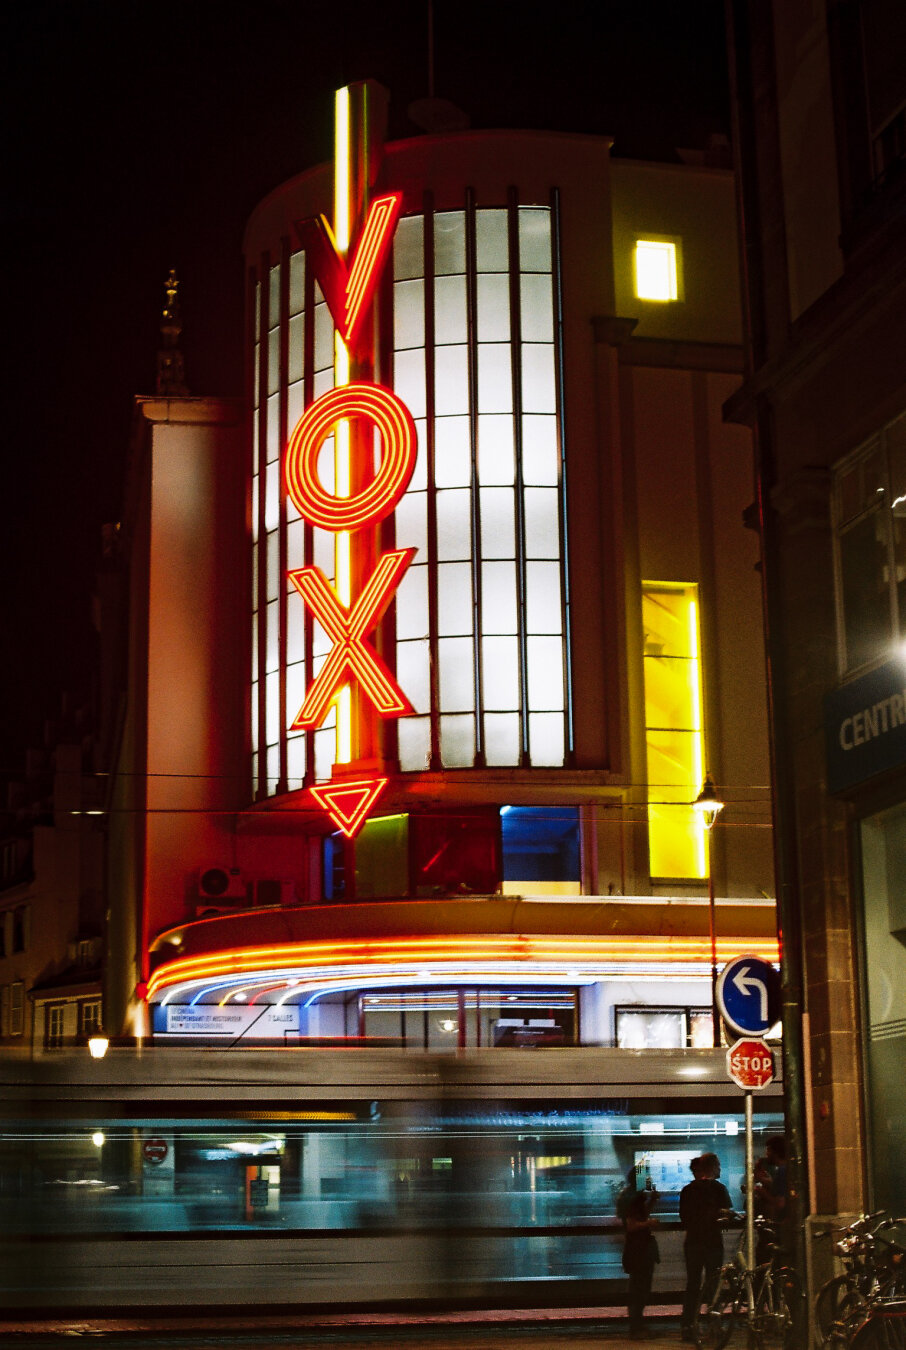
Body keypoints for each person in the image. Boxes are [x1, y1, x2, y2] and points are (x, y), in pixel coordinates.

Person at [679, 1153, 732, 1342]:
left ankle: (688, 1326)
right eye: (718, 1165)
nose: (720, 1169)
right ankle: (714, 1325)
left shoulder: (687, 1190)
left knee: (693, 1284)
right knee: (713, 1284)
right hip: (713, 1243)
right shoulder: (719, 1189)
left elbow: (684, 1218)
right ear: (712, 1167)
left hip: (693, 1242)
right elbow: (727, 1216)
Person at [622, 1186, 660, 1340]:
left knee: (640, 1290)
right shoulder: (633, 1198)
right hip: (639, 1251)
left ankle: (637, 1326)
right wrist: (649, 1223)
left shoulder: (637, 1198)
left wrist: (652, 1200)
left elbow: (640, 1216)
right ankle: (636, 1328)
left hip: (639, 1250)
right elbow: (632, 1225)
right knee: (639, 1290)